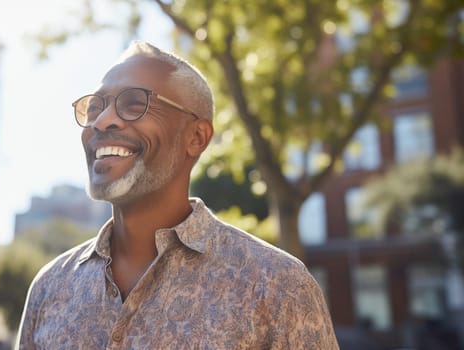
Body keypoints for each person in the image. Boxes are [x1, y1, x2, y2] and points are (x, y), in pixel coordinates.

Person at [17, 41, 339, 349]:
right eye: (95, 108)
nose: (102, 122)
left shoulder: (277, 285)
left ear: (196, 137)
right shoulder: (50, 287)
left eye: (133, 103)